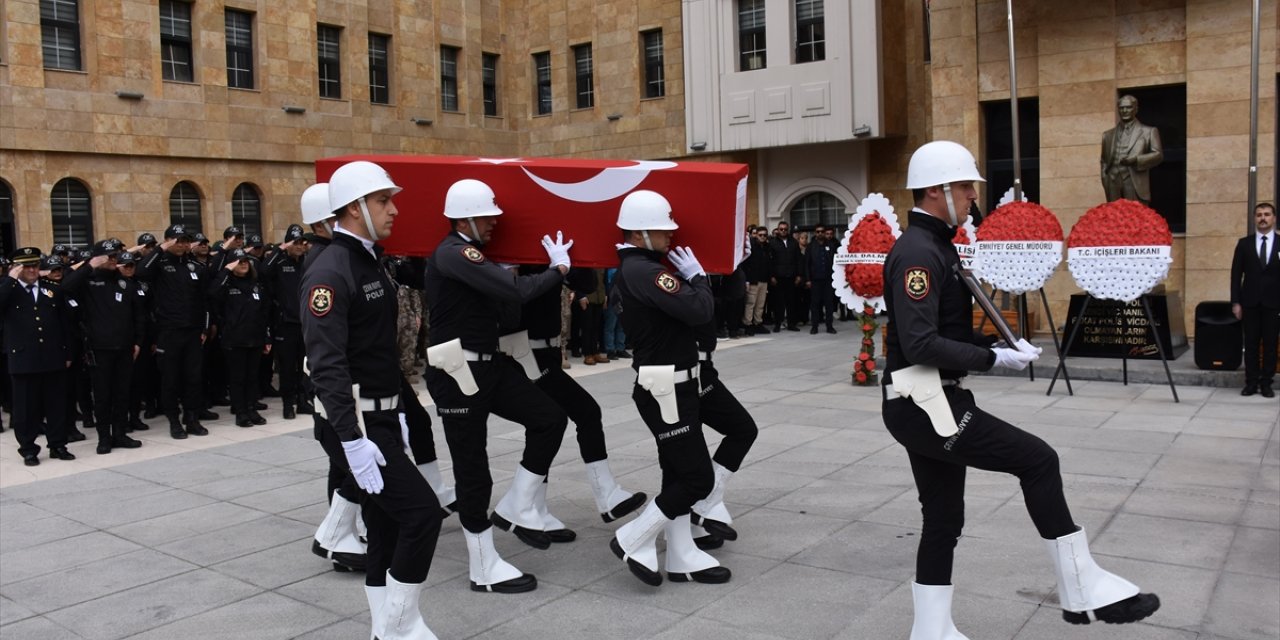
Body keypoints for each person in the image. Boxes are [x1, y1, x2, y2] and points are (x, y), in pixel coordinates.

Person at [885, 141, 1159, 637]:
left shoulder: (935, 246)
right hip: (925, 402)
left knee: (943, 518)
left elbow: (944, 331)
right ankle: (1081, 590)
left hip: (927, 400)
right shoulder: (919, 254)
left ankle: (931, 631)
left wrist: (992, 339)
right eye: (965, 186)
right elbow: (921, 343)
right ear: (935, 191)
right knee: (1038, 460)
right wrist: (994, 358)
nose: (972, 195)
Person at [301, 160, 442, 638]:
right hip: (355, 424)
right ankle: (399, 626)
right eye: (383, 200)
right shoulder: (331, 269)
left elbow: (375, 353)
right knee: (422, 515)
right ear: (355, 208)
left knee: (384, 528)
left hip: (379, 416)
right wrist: (351, 440)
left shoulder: (369, 260)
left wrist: (396, 412)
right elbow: (328, 365)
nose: (394, 209)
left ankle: (386, 627)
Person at [422, 178, 571, 594]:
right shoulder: (455, 253)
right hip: (456, 374)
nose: (493, 225)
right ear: (466, 218)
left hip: (489, 366)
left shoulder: (475, 257)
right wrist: (557, 270)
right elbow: (513, 292)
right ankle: (482, 564)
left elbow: (504, 307)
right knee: (473, 470)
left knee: (549, 418)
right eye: (487, 218)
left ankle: (517, 504)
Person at [609, 190, 730, 587]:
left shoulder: (639, 269)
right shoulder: (645, 272)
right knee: (698, 479)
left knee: (676, 473)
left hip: (671, 387)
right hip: (666, 392)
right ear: (641, 233)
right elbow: (698, 310)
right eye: (663, 231)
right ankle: (634, 536)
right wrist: (697, 279)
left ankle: (680, 555)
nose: (670, 237)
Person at [507, 262, 646, 530]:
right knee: (582, 413)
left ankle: (536, 508)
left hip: (546, 351)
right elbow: (520, 295)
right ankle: (604, 494)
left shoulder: (547, 252)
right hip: (525, 353)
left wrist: (564, 264)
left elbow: (587, 284)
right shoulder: (517, 259)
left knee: (544, 426)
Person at [60, 240, 146, 454]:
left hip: (125, 347)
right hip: (99, 349)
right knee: (103, 395)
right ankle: (104, 438)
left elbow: (138, 315)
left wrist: (138, 342)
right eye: (108, 257)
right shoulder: (88, 280)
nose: (113, 261)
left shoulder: (124, 282)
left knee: (122, 393)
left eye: (115, 256)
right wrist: (90, 265)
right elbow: (65, 288)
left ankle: (120, 433)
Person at [135, 223, 216, 439]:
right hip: (168, 332)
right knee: (170, 379)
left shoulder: (194, 266)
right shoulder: (159, 264)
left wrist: (204, 328)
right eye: (177, 241)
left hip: (192, 332)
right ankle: (174, 420)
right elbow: (141, 272)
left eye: (185, 241)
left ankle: (192, 418)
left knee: (193, 377)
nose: (181, 245)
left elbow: (205, 301)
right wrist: (161, 248)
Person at [2, 248, 76, 466]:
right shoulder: (9, 290)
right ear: (16, 268)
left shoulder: (51, 289)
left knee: (56, 405)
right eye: (26, 266)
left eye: (35, 265)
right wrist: (9, 279)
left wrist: (68, 352)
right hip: (24, 359)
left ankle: (58, 445)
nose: (32, 269)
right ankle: (28, 448)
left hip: (52, 356)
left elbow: (65, 324)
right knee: (26, 408)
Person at [209, 248, 271, 427]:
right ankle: (241, 412)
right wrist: (227, 271)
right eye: (238, 261)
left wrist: (267, 338)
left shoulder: (256, 284)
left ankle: (252, 409)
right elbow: (213, 293)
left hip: (255, 338)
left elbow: (265, 312)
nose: (243, 264)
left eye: (245, 261)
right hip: (234, 339)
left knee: (252, 377)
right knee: (238, 378)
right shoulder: (227, 284)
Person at [262, 224, 313, 418]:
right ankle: (287, 404)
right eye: (295, 243)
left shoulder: (306, 263)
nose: (299, 247)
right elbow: (263, 271)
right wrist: (279, 249)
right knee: (287, 366)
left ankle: (302, 400)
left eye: (301, 243)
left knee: (304, 366)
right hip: (285, 323)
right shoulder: (279, 263)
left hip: (304, 323)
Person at [1231, 202, 1279, 398]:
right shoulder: (1244, 244)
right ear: (1254, 219)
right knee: (1250, 344)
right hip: (1249, 302)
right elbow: (1235, 275)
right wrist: (1235, 302)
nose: (1263, 218)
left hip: (1274, 303)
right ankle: (1250, 382)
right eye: (1259, 215)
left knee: (1270, 344)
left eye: (1267, 214)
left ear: (1274, 218)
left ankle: (1266, 383)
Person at [1100, 95, 1163, 206]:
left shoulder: (1148, 131)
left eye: (1128, 107)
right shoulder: (1107, 135)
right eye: (1121, 108)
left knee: (1136, 219)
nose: (1125, 110)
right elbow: (1104, 160)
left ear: (1135, 109)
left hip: (1134, 181)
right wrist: (1105, 178)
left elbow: (1158, 154)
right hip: (1112, 180)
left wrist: (1136, 160)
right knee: (1113, 218)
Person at [768, 221, 802, 331]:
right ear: (778, 230)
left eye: (785, 229)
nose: (783, 231)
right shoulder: (772, 243)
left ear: (788, 230)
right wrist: (772, 276)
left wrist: (799, 275)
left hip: (791, 276)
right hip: (778, 277)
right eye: (781, 229)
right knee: (779, 302)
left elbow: (798, 260)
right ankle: (778, 323)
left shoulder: (794, 242)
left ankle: (791, 324)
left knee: (791, 301)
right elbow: (770, 261)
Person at [806, 224, 838, 334]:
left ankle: (829, 326)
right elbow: (807, 264)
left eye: (822, 231)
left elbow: (835, 261)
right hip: (815, 279)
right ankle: (814, 326)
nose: (820, 233)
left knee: (829, 303)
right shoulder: (810, 246)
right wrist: (808, 279)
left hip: (828, 279)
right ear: (815, 233)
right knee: (815, 304)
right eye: (818, 232)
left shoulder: (831, 245)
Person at [741, 226, 772, 335]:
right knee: (750, 303)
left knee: (760, 303)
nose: (763, 237)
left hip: (764, 279)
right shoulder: (751, 247)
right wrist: (747, 280)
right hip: (753, 279)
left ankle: (758, 323)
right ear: (756, 235)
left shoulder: (767, 247)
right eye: (760, 235)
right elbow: (745, 264)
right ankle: (748, 324)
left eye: (765, 235)